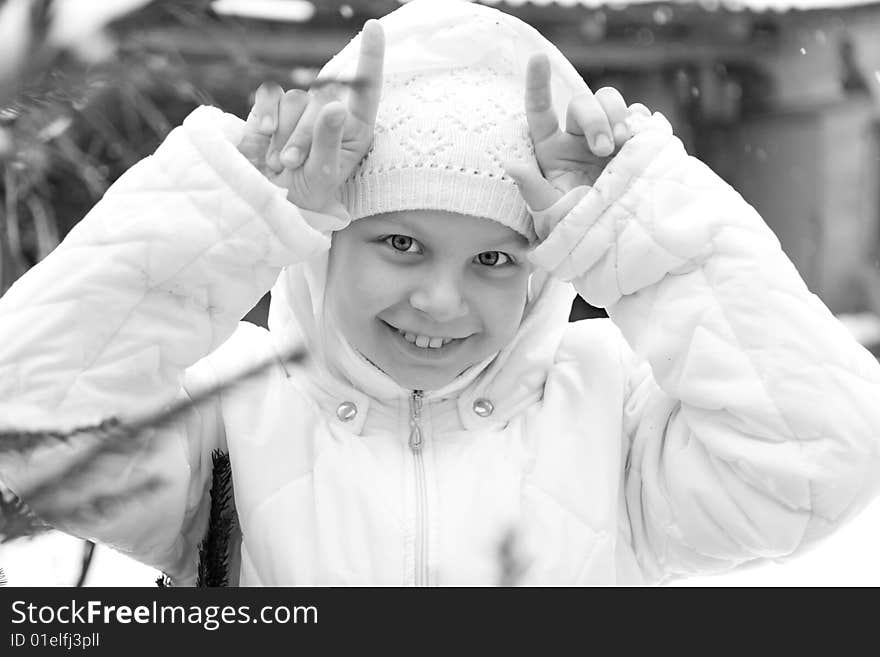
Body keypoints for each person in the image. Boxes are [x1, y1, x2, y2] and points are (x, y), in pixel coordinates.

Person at [1, 0, 879, 586]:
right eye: (400, 243)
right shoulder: (232, 418)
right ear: (324, 236)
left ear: (546, 266)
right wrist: (230, 206)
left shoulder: (615, 417)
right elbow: (24, 413)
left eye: (495, 260)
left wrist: (645, 220)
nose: (440, 301)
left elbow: (820, 462)